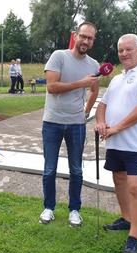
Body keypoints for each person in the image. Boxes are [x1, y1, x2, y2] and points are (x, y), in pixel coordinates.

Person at [95, 33, 137, 253]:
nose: (123, 54)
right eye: (120, 50)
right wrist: (100, 122)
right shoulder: (116, 78)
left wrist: (116, 128)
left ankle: (134, 238)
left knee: (135, 187)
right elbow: (102, 104)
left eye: (128, 49)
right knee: (119, 180)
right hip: (115, 143)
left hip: (136, 145)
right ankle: (126, 218)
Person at [39, 22, 100, 227]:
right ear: (75, 36)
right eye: (83, 36)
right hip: (52, 122)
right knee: (49, 169)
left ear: (93, 41)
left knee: (76, 170)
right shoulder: (59, 56)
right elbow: (51, 87)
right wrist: (80, 84)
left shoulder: (94, 65)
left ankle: (74, 209)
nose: (85, 41)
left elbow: (95, 91)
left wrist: (86, 111)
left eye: (90, 38)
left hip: (76, 124)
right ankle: (49, 208)